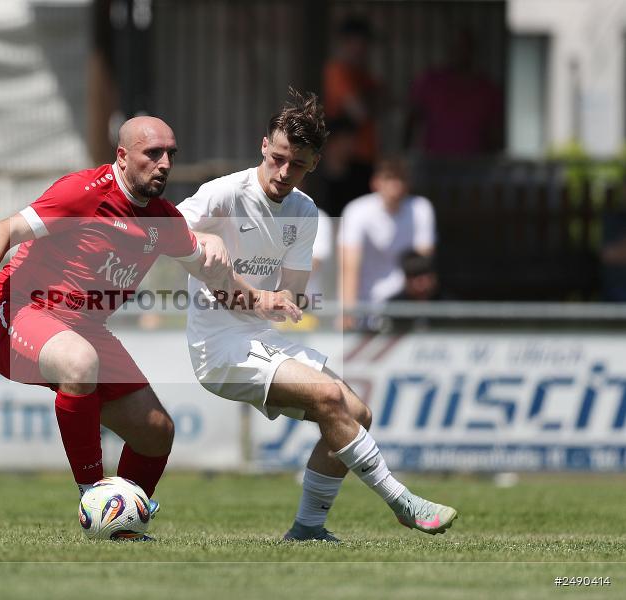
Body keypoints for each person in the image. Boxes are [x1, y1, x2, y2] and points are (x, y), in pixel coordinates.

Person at [177, 90, 457, 542]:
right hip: (218, 347)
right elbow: (169, 230)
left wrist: (277, 298)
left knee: (356, 413)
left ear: (315, 163)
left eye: (300, 164)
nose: (286, 173)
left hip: (259, 338)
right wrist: (203, 244)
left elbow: (292, 292)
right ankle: (403, 501)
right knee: (328, 396)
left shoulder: (305, 211)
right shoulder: (225, 193)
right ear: (264, 146)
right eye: (280, 158)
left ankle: (307, 528)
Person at [0, 117, 227, 534]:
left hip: (83, 326)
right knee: (79, 362)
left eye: (171, 153)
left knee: (156, 433)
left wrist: (261, 297)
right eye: (152, 153)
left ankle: (117, 526)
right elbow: (2, 230)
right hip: (17, 310)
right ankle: (93, 495)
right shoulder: (82, 192)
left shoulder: (163, 220)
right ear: (122, 156)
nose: (164, 163)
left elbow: (211, 271)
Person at [339, 159, 435, 326]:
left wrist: (419, 311)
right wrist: (348, 312)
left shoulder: (421, 209)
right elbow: (349, 266)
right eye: (389, 178)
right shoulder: (357, 211)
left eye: (401, 179)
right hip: (363, 301)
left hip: (403, 303)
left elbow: (422, 269)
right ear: (376, 182)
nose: (395, 185)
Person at [405, 27, 503, 157]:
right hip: (434, 164)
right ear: (450, 49)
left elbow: (495, 134)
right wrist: (405, 156)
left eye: (465, 47)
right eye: (457, 46)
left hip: (475, 165)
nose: (461, 51)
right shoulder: (430, 81)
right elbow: (412, 120)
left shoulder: (487, 88)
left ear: (473, 50)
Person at [322, 16, 380, 164]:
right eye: (359, 42)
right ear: (345, 42)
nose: (364, 49)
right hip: (344, 158)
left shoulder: (362, 75)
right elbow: (359, 112)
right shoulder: (337, 73)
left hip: (365, 153)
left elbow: (387, 100)